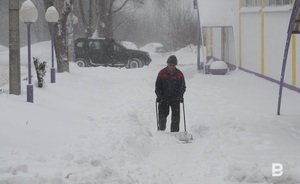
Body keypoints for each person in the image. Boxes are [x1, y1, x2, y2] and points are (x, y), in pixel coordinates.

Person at [155, 55, 186, 132]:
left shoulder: (179, 74)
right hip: (163, 98)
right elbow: (157, 87)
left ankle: (174, 132)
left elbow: (182, 87)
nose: (171, 67)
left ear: (175, 65)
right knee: (162, 116)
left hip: (175, 98)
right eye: (169, 65)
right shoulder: (161, 73)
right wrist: (159, 96)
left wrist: (180, 96)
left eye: (173, 65)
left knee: (176, 117)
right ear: (167, 64)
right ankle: (161, 131)